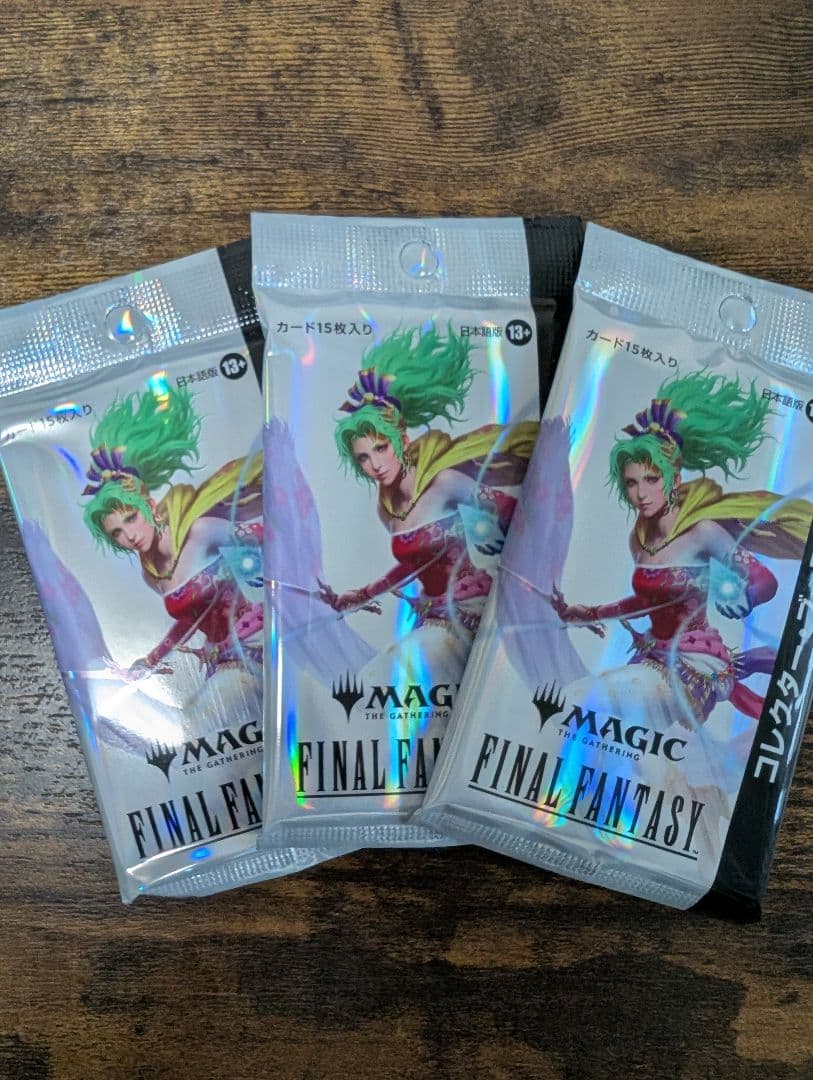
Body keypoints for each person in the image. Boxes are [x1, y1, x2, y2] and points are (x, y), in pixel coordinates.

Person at [551, 371, 812, 728]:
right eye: (631, 483)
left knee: (581, 698)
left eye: (651, 479)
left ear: (673, 478)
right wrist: (589, 613)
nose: (641, 493)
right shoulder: (639, 540)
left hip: (693, 665)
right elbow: (647, 603)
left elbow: (764, 580)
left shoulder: (703, 532)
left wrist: (746, 597)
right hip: (652, 657)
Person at [318, 325, 537, 667]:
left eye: (381, 448)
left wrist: (499, 549)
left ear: (402, 440)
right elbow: (415, 563)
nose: (375, 464)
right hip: (432, 615)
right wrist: (362, 594)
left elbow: (515, 512)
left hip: (471, 610)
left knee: (389, 670)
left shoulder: (445, 482)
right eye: (363, 457)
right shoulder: (386, 508)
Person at [81, 385, 263, 721]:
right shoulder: (151, 573)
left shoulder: (201, 530)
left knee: (203, 719)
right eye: (116, 533)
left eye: (131, 519)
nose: (129, 536)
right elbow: (192, 618)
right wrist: (150, 661)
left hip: (255, 645)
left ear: (150, 506)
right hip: (219, 658)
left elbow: (272, 540)